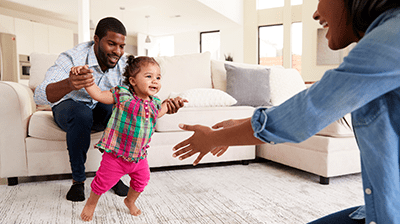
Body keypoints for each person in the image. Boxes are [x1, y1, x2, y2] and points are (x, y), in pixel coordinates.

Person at [172, 0, 400, 223]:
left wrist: (214, 138)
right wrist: (243, 124)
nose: (315, 13)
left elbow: (307, 112)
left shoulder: (392, 36)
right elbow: (310, 106)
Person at [33, 17, 183, 202]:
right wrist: (69, 83)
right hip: (69, 107)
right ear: (96, 39)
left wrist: (165, 106)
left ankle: (113, 176)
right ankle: (78, 181)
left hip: (100, 106)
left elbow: (136, 96)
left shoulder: (124, 65)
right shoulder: (72, 58)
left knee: (115, 111)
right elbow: (39, 95)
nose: (117, 52)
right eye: (112, 44)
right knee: (82, 113)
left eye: (121, 46)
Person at [74, 56, 187, 221]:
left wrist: (173, 103)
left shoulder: (155, 103)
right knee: (102, 183)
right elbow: (98, 94)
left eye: (158, 77)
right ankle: (91, 203)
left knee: (142, 181)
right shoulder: (123, 95)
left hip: (138, 158)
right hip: (115, 156)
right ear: (133, 81)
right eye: (148, 76)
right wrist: (86, 80)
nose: (154, 81)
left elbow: (164, 109)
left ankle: (129, 200)